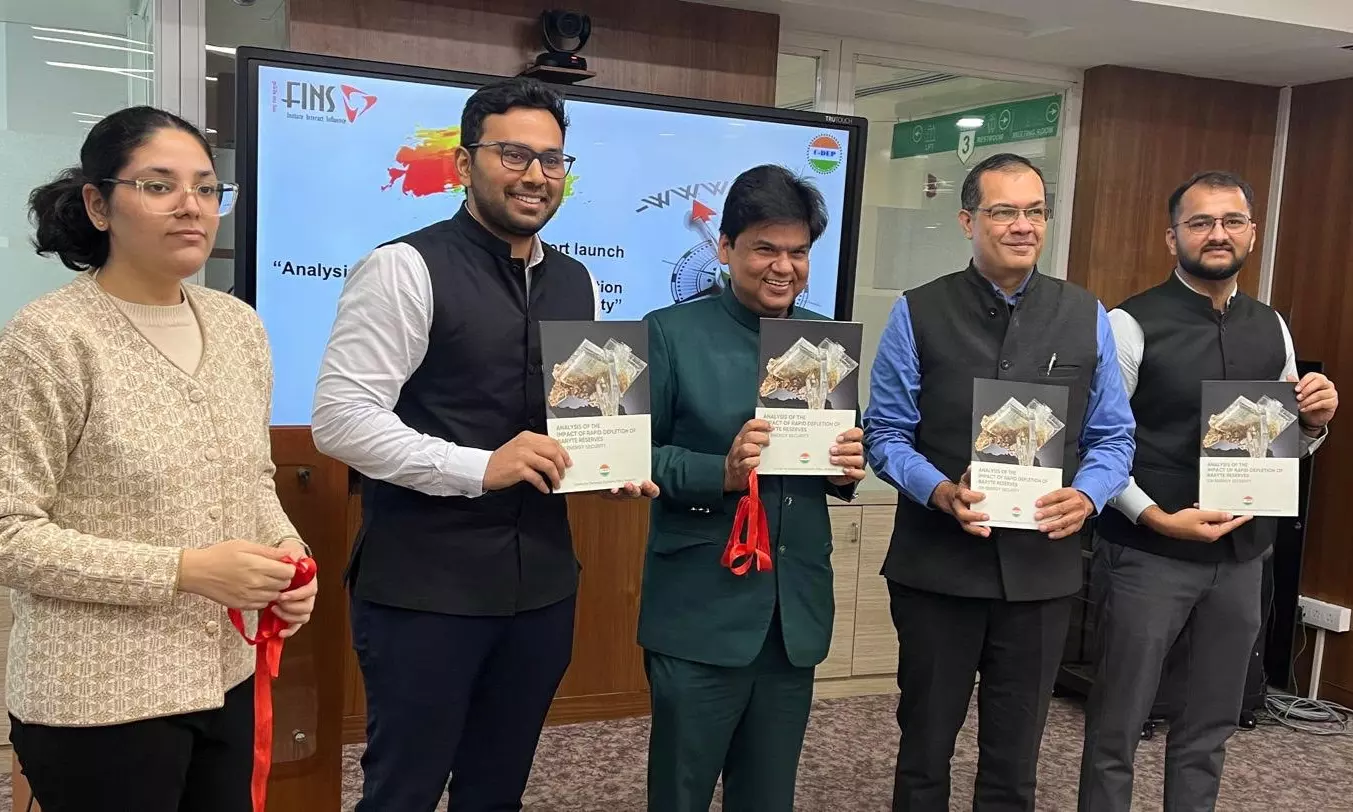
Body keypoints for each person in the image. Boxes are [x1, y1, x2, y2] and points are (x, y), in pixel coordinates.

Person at [311, 77, 656, 812]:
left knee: (497, 789)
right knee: (403, 791)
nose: (536, 175)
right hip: (425, 591)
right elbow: (341, 419)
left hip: (542, 589)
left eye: (552, 160)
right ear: (466, 164)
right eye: (513, 154)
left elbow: (572, 420)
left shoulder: (578, 281)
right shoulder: (404, 267)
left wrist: (606, 463)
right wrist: (479, 467)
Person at [0, 106, 316, 812]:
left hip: (226, 675)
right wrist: (184, 571)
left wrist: (287, 553)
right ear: (98, 204)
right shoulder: (48, 339)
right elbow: (8, 533)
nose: (191, 207)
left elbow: (253, 478)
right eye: (158, 185)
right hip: (98, 697)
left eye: (206, 188)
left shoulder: (239, 327)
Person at [863, 152, 1136, 812]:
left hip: (1041, 576)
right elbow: (885, 434)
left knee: (1015, 764)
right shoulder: (917, 311)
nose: (1023, 225)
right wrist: (938, 490)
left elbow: (1113, 437)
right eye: (1005, 211)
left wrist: (1088, 495)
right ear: (968, 221)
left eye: (1034, 211)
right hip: (937, 573)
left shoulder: (1085, 314)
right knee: (925, 751)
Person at [1078, 170, 1338, 812]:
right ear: (1173, 238)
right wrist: (1153, 517)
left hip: (1243, 559)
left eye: (1231, 221)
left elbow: (1282, 444)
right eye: (1200, 222)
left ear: (1251, 232)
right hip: (1148, 554)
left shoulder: (1273, 327)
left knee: (1211, 725)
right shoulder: (1128, 323)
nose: (1217, 234)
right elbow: (1094, 444)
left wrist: (1312, 425)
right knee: (1117, 724)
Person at [638, 164, 867, 812]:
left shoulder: (824, 343)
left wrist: (846, 466)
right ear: (724, 248)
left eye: (798, 252)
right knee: (680, 793)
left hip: (793, 614)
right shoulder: (669, 332)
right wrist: (721, 473)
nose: (783, 267)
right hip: (700, 609)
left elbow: (836, 456)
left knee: (768, 796)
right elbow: (629, 456)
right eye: (765, 248)